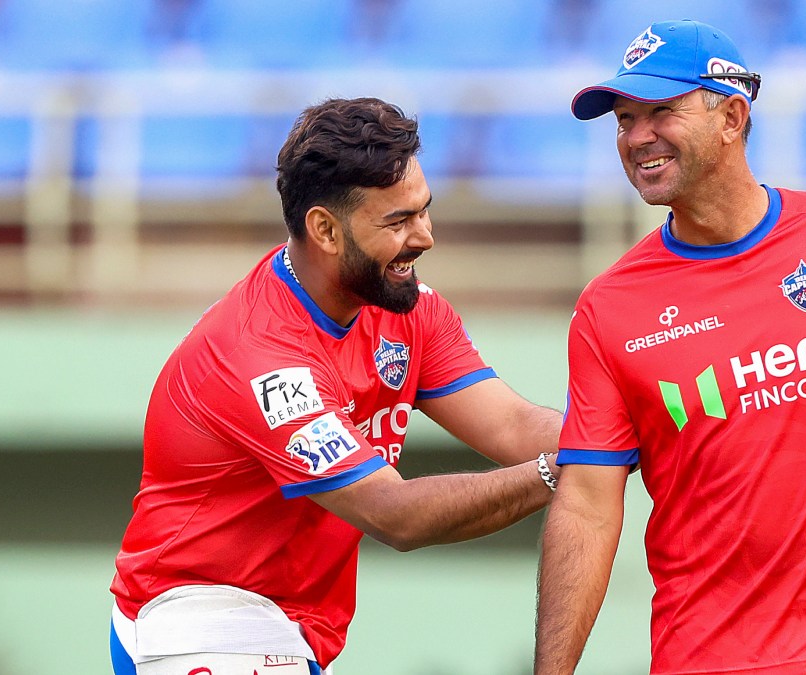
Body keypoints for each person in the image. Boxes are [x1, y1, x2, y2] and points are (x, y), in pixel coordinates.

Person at [534, 19, 806, 675]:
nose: (637, 136)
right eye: (624, 120)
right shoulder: (606, 308)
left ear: (732, 117)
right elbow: (588, 506)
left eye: (661, 111)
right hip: (706, 656)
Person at [109, 97, 563, 674]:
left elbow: (513, 424)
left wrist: (621, 429)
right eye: (397, 222)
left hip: (294, 627)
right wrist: (562, 469)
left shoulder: (408, 307)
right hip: (199, 619)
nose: (424, 236)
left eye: (424, 211)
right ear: (324, 228)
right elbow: (395, 515)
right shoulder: (263, 358)